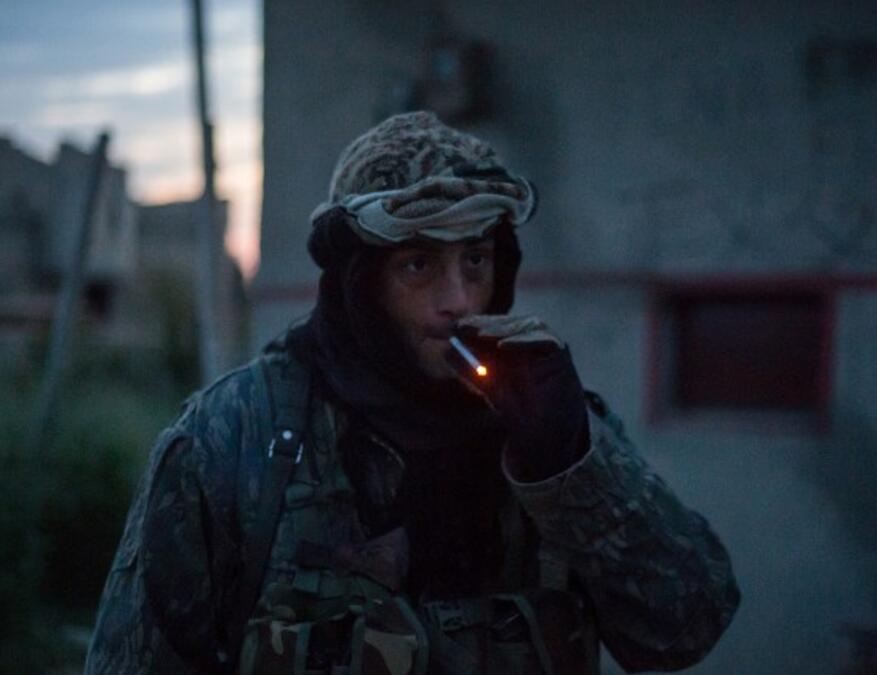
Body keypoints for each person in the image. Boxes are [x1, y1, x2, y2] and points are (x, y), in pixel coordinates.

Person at [85, 111, 740, 675]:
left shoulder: (551, 427)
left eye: (476, 261)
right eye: (418, 263)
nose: (456, 300)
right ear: (358, 281)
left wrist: (571, 466)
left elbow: (685, 627)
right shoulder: (231, 440)